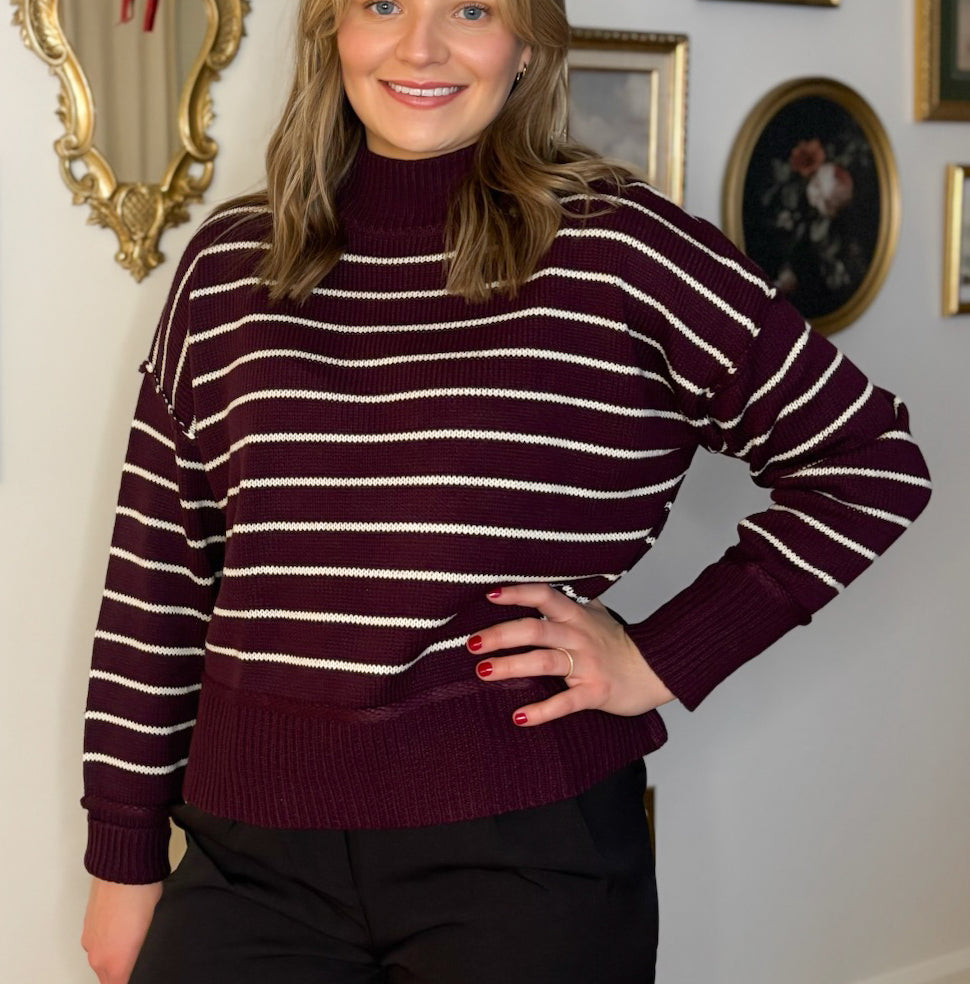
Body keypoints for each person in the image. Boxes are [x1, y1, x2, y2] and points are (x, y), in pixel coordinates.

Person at [79, 2, 932, 982]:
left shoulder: (623, 251)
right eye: (383, 4)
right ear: (331, 29)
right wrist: (124, 856)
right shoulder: (230, 264)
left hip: (526, 858)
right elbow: (156, 578)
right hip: (248, 858)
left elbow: (869, 464)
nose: (420, 47)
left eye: (473, 8)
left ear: (526, 43)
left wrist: (658, 657)